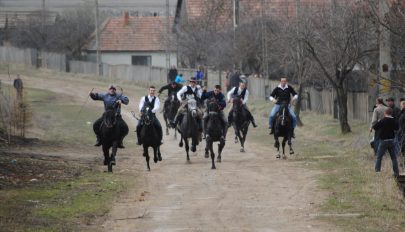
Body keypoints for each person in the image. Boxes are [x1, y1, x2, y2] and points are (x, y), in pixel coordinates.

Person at [373, 108, 400, 177]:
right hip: (391, 141)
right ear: (391, 113)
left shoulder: (383, 120)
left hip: (383, 141)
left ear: (385, 113)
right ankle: (396, 173)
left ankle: (377, 171)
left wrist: (378, 121)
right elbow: (397, 128)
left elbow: (375, 127)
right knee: (393, 158)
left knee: (379, 156)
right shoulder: (394, 120)